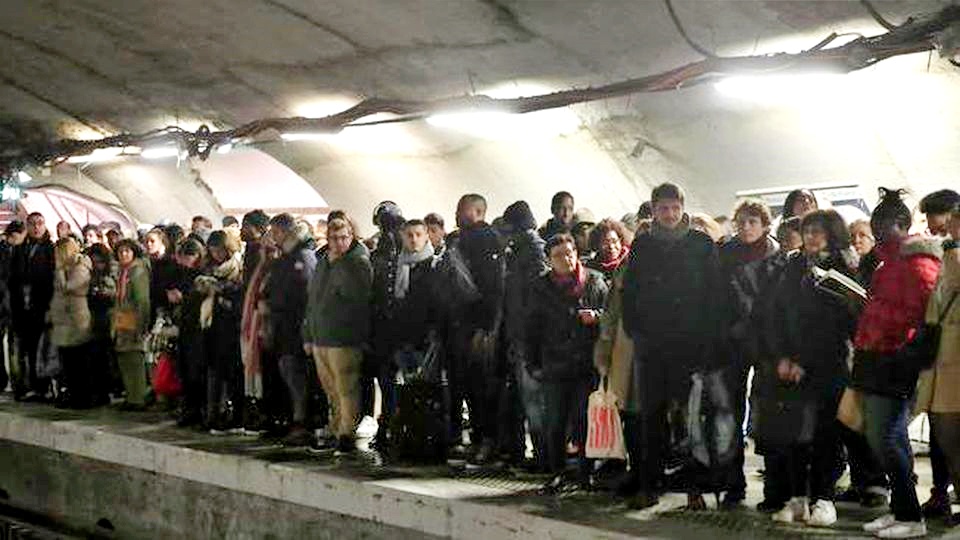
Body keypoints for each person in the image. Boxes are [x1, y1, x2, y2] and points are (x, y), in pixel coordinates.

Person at [621, 182, 723, 510]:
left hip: (690, 346)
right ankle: (650, 485)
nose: (669, 214)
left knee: (692, 420)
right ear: (653, 210)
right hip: (652, 347)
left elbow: (713, 296)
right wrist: (636, 330)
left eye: (674, 208)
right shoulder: (643, 246)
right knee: (652, 419)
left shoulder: (701, 245)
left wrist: (707, 341)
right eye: (663, 208)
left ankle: (695, 488)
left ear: (682, 208)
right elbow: (631, 292)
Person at [853, 188, 942, 539]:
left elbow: (922, 315)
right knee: (889, 438)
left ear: (903, 226)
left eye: (883, 227)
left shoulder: (917, 263)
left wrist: (893, 337)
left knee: (885, 436)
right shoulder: (887, 263)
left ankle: (910, 517)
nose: (877, 234)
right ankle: (903, 508)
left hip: (896, 359)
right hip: (877, 356)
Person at [761, 210, 858, 527]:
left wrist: (803, 360)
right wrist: (783, 358)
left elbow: (839, 323)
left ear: (832, 234)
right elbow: (775, 314)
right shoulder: (792, 267)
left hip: (829, 364)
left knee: (826, 435)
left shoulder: (843, 269)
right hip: (791, 365)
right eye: (808, 231)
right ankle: (797, 498)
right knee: (793, 434)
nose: (812, 237)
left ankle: (824, 497)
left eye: (819, 231)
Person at [525, 233, 607, 493]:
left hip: (586, 364)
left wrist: (597, 317)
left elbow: (612, 316)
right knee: (556, 422)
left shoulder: (593, 282)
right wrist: (533, 363)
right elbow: (531, 329)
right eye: (559, 255)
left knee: (584, 420)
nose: (567, 259)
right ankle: (557, 471)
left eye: (570, 252)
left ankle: (586, 472)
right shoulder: (540, 288)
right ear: (549, 260)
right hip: (554, 364)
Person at [718, 199, 780, 509]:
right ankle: (733, 483)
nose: (745, 227)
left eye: (752, 221)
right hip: (734, 341)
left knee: (768, 409)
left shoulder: (779, 258)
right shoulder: (725, 255)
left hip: (768, 343)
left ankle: (775, 487)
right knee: (731, 411)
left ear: (765, 225)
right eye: (741, 221)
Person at [304, 217, 372, 454]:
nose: (339, 243)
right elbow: (312, 300)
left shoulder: (357, 263)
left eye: (343, 238)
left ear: (351, 237)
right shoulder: (323, 262)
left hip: (344, 337)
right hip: (322, 335)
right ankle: (336, 427)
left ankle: (346, 432)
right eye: (334, 238)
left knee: (346, 387)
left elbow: (358, 298)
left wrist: (340, 266)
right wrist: (308, 334)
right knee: (331, 389)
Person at [449, 194, 506, 465]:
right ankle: (480, 437)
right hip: (466, 324)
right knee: (472, 387)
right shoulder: (464, 240)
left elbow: (493, 288)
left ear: (479, 212)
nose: (458, 215)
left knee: (483, 388)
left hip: (478, 327)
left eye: (463, 210)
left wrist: (486, 328)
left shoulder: (483, 240)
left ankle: (488, 440)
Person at [916, 205, 960, 527]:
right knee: (945, 437)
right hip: (942, 361)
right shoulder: (947, 258)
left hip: (955, 362)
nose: (950, 234)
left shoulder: (954, 258)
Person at [500, 201, 549, 467]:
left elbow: (531, 302)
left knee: (534, 399)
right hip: (521, 336)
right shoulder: (523, 252)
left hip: (528, 339)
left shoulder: (530, 253)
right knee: (528, 399)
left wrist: (523, 336)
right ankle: (538, 451)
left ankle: (543, 454)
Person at [265, 214, 317, 446]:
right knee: (288, 373)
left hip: (295, 328)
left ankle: (301, 421)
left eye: (275, 232)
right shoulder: (286, 256)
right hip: (284, 326)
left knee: (296, 375)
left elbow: (305, 295)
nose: (272, 237)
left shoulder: (302, 257)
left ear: (286, 232)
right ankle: (292, 419)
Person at [197, 231, 244, 432]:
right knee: (213, 371)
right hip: (211, 325)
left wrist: (219, 290)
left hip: (229, 326)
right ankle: (212, 412)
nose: (215, 254)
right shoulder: (209, 269)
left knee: (229, 373)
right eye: (212, 250)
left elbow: (236, 294)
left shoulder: (236, 268)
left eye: (219, 250)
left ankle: (231, 412)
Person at [9, 212, 55, 400]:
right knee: (27, 348)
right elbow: (12, 278)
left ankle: (43, 387)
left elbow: (51, 279)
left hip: (42, 305)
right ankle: (31, 385)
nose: (36, 227)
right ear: (27, 226)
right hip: (23, 307)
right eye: (33, 224)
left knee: (41, 347)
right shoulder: (20, 250)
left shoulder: (49, 249)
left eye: (40, 223)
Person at [48, 237, 94, 409]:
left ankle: (82, 397)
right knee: (67, 362)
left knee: (78, 361)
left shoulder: (81, 267)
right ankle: (71, 393)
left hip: (75, 319)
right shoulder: (65, 268)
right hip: (62, 320)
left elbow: (68, 287)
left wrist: (59, 270)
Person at [170, 239, 208, 427]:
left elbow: (199, 299)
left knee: (196, 370)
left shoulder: (202, 274)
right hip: (186, 325)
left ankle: (197, 409)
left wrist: (183, 298)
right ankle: (189, 407)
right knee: (185, 369)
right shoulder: (183, 273)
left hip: (198, 327)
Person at [112, 239, 151, 410]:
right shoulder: (123, 271)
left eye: (127, 251)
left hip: (133, 317)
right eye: (121, 252)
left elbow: (142, 300)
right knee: (124, 358)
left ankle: (138, 397)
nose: (124, 254)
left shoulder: (137, 271)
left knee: (135, 358)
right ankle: (131, 395)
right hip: (122, 317)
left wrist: (142, 324)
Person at [86, 243, 116, 407]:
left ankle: (103, 392)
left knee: (102, 357)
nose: (97, 265)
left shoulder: (111, 275)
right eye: (94, 261)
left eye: (100, 262)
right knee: (94, 357)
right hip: (91, 319)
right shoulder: (89, 276)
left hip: (105, 319)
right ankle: (96, 391)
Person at [0, 221, 26, 392]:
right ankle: (11, 380)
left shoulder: (14, 251)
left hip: (9, 303)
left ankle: (12, 380)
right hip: (7, 303)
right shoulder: (9, 252)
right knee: (13, 343)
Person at [144, 228, 178, 324]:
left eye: (152, 241)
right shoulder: (145, 263)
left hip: (165, 310)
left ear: (161, 242)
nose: (149, 244)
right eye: (146, 242)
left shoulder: (172, 263)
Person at [586, 219, 633, 285]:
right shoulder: (592, 267)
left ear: (621, 241)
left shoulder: (631, 262)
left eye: (614, 241)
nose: (611, 246)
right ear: (597, 245)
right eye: (605, 243)